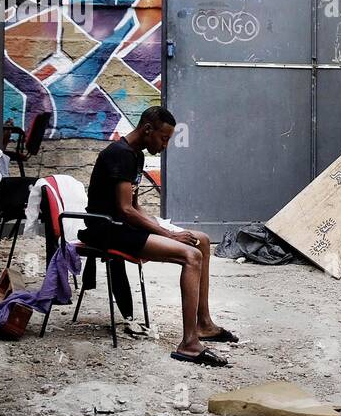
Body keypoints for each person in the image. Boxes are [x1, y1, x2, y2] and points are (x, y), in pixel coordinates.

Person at [80, 106, 235, 367]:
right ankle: (188, 344)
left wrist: (165, 228)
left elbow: (135, 206)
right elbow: (125, 210)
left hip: (123, 226)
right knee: (191, 255)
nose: (165, 145)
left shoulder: (135, 155)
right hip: (107, 230)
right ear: (147, 130)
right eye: (164, 138)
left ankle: (204, 324)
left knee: (202, 241)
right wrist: (169, 236)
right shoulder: (119, 155)